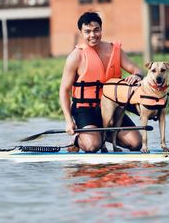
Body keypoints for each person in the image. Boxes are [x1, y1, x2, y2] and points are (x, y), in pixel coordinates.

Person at [59, 11, 144, 153]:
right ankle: (79, 139)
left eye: (96, 30)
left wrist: (137, 76)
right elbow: (63, 90)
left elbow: (137, 70)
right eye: (87, 32)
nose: (92, 35)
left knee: (136, 144)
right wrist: (69, 121)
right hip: (86, 109)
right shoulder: (75, 57)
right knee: (92, 146)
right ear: (81, 33)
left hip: (112, 109)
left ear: (101, 29)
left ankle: (103, 134)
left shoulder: (114, 51)